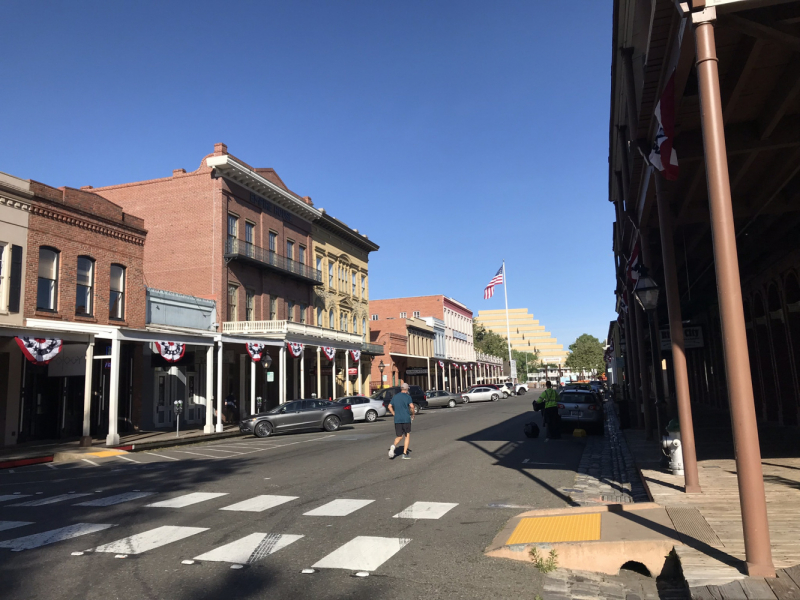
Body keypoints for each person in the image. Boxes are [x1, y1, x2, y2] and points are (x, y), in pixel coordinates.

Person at [387, 382, 415, 460]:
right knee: (407, 435)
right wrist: (413, 414)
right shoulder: (408, 397)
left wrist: (394, 414)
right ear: (407, 389)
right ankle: (404, 453)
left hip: (397, 419)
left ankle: (393, 446)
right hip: (406, 418)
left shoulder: (395, 397)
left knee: (399, 436)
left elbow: (389, 406)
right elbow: (412, 406)